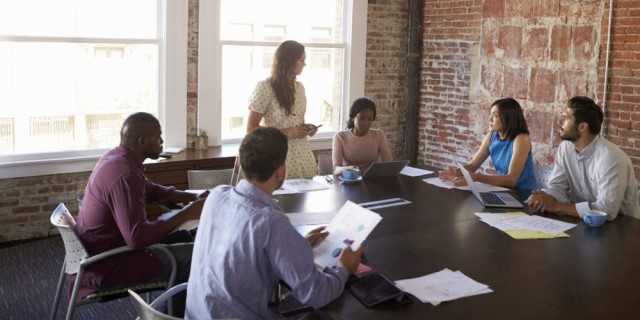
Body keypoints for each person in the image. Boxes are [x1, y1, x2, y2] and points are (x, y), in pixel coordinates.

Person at [186, 127, 363, 320]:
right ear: (280, 172)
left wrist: (297, 245)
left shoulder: (217, 196)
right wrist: (345, 267)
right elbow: (316, 294)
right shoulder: (270, 221)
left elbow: (243, 252)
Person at [74, 112, 206, 300]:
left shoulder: (117, 158)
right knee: (200, 254)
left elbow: (148, 189)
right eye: (158, 136)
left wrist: (186, 196)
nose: (162, 141)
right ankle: (173, 314)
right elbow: (137, 238)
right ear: (142, 141)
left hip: (105, 251)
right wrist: (186, 214)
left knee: (191, 236)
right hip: (109, 266)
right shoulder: (125, 174)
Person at [527, 96, 640, 221]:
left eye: (565, 118)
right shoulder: (566, 147)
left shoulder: (611, 158)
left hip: (623, 227)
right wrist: (544, 197)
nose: (560, 122)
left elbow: (607, 210)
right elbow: (557, 186)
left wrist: (556, 206)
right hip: (583, 221)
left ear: (582, 127)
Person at [246, 40, 319, 179]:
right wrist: (288, 132)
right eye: (301, 59)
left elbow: (296, 121)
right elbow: (251, 129)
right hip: (277, 158)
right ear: (289, 61)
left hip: (303, 158)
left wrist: (306, 129)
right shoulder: (265, 87)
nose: (305, 63)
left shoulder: (300, 88)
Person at [440, 98, 537, 198]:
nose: (490, 119)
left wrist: (476, 177)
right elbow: (473, 165)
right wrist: (456, 172)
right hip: (503, 191)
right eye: (490, 115)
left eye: (495, 115)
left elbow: (511, 180)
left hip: (523, 195)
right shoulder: (492, 136)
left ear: (509, 118)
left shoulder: (521, 139)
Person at [332, 97, 392, 175]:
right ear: (353, 117)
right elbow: (336, 169)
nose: (366, 123)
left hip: (372, 179)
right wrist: (349, 169)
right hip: (350, 180)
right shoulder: (340, 137)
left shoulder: (379, 135)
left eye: (370, 119)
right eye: (362, 118)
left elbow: (389, 164)